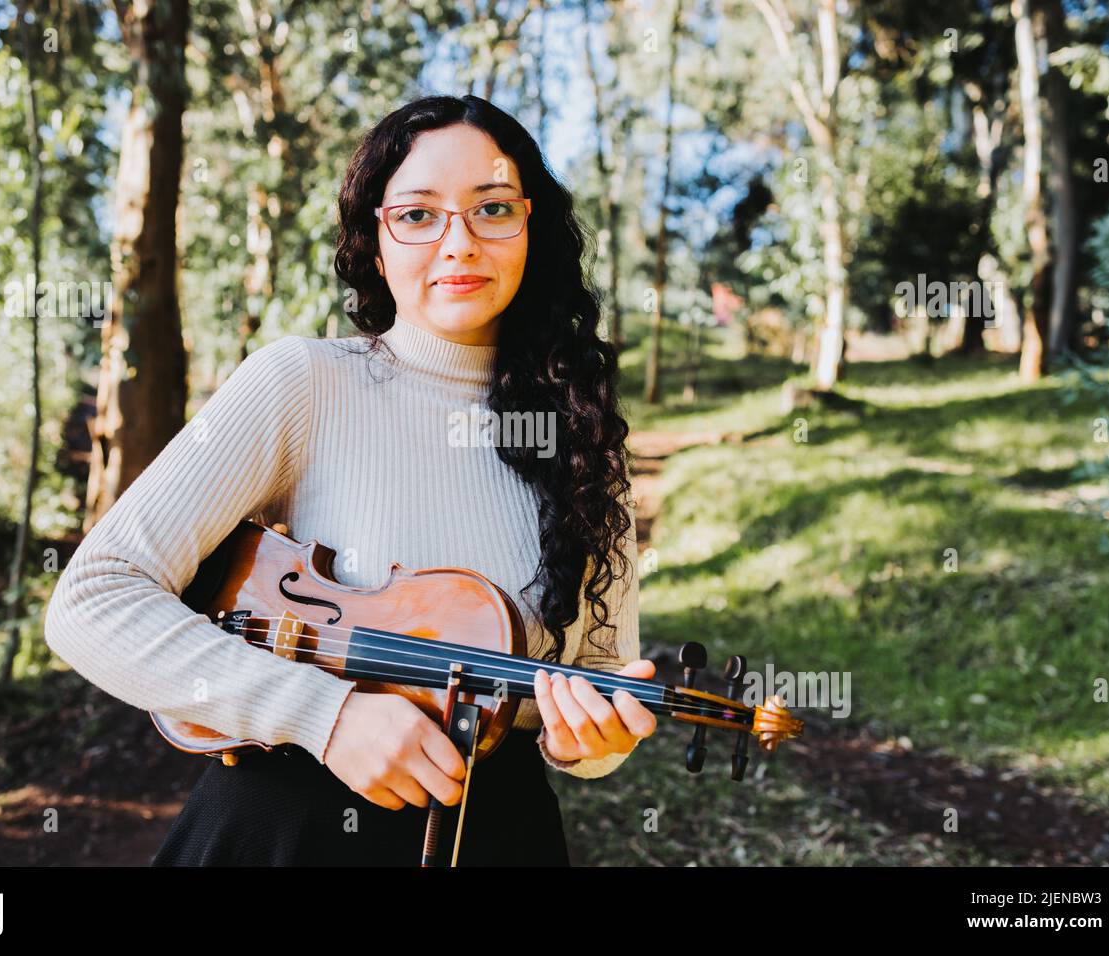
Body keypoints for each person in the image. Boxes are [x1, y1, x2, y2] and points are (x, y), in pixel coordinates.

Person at [43, 94, 657, 866]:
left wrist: (586, 744)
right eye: (418, 214)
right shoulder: (302, 383)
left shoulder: (586, 439)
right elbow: (92, 599)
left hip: (497, 837)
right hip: (284, 833)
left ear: (532, 225)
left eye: (492, 208)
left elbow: (600, 680)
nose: (459, 243)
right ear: (376, 235)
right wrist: (321, 713)